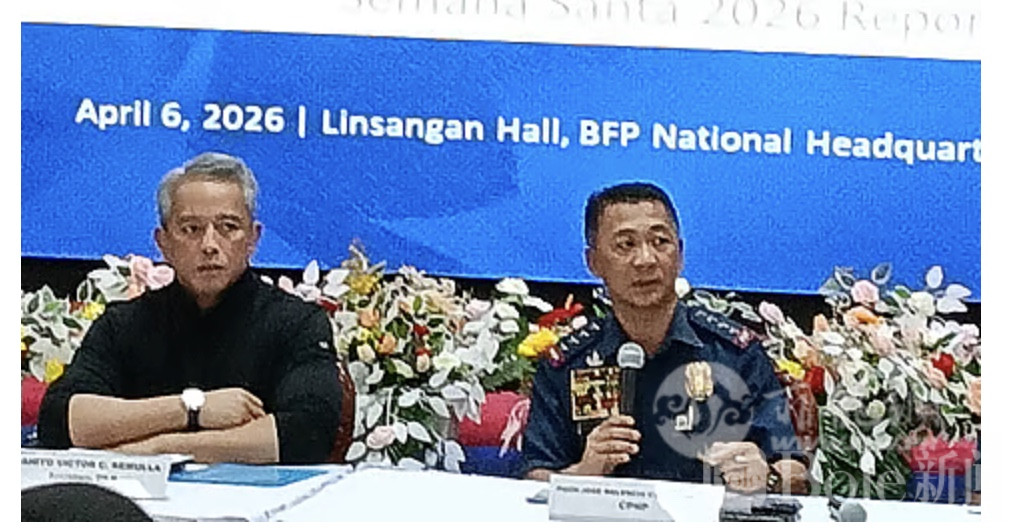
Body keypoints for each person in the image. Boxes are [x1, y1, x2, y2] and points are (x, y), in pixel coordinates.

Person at [37, 152, 342, 464]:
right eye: (191, 229)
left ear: (253, 239)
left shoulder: (297, 322)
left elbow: (308, 432)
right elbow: (59, 421)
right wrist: (191, 408)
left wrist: (159, 449)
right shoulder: (124, 324)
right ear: (163, 243)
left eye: (228, 227)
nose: (210, 245)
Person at [522, 182, 807, 493]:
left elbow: (795, 471)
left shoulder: (735, 353)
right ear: (594, 263)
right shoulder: (567, 365)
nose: (646, 260)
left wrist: (768, 476)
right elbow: (534, 477)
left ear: (680, 254)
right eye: (625, 245)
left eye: (660, 242)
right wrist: (583, 472)